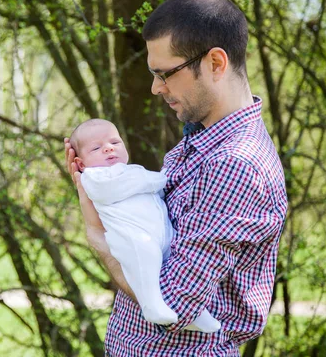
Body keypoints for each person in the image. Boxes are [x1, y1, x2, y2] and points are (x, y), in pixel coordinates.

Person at [64, 0, 288, 356]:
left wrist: (97, 235)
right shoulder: (199, 143)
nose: (156, 88)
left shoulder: (234, 165)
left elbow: (170, 304)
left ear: (216, 63)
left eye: (166, 73)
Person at [70, 118, 220, 332]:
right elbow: (134, 184)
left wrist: (153, 183)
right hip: (132, 236)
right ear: (82, 164)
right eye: (96, 147)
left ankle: (195, 312)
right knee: (146, 260)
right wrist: (158, 180)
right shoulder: (95, 177)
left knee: (171, 259)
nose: (108, 148)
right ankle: (151, 303)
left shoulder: (130, 170)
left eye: (115, 142)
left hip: (160, 232)